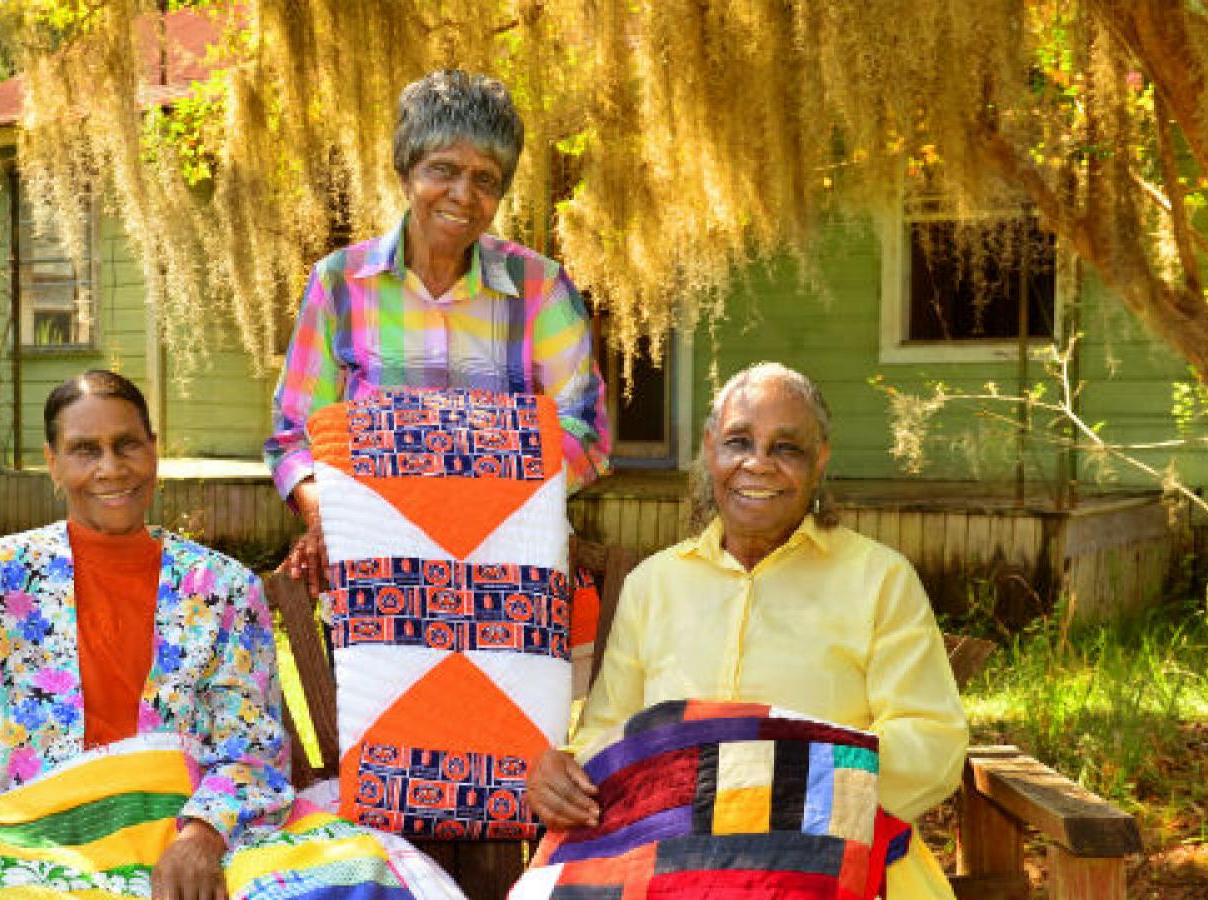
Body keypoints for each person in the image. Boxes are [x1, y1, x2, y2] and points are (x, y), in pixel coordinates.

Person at [0, 370, 289, 900]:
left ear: (154, 451)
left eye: (126, 444)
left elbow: (251, 748)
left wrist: (202, 837)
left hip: (172, 834)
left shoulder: (222, 587)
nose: (111, 468)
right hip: (27, 835)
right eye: (85, 450)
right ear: (53, 464)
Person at [527, 361, 969, 898]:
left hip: (839, 863)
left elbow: (932, 746)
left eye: (786, 447)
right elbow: (608, 736)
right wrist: (565, 775)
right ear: (710, 450)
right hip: (673, 872)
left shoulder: (879, 579)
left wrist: (773, 787)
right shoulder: (654, 585)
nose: (757, 463)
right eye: (739, 441)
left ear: (820, 460)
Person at [265, 69, 611, 594]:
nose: (463, 195)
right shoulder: (339, 284)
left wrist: (473, 508)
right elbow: (294, 436)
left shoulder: (542, 288)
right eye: (442, 170)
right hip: (374, 571)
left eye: (486, 179)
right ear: (406, 174)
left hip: (510, 572)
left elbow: (586, 433)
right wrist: (322, 517)